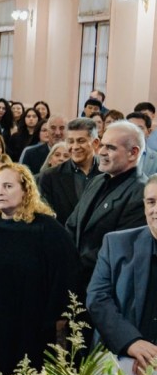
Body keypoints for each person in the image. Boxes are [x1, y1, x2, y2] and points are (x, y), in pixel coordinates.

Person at [0, 164, 77, 375]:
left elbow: (66, 276)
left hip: (33, 323)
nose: (0, 191)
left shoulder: (47, 229)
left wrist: (54, 322)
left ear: (26, 190)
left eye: (8, 186)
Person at [66, 121, 148, 297]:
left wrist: (70, 266)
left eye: (110, 147)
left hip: (107, 291)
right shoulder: (97, 180)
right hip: (76, 285)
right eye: (101, 145)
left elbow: (119, 247)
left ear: (133, 153)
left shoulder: (142, 192)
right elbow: (72, 225)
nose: (101, 151)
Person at [88, 175, 157, 375]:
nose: (155, 210)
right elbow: (97, 299)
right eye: (151, 202)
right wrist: (131, 343)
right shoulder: (116, 244)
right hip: (119, 361)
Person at [36, 118, 101, 225]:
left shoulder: (109, 173)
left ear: (95, 143)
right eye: (70, 141)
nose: (75, 147)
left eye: (81, 141)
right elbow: (45, 219)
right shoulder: (50, 177)